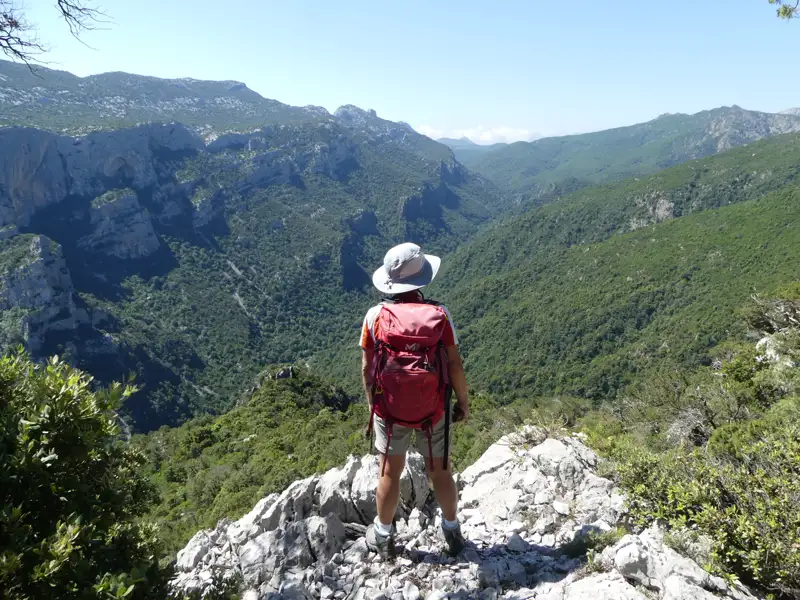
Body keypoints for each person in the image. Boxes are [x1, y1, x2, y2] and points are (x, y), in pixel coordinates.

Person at [359, 242, 470, 556]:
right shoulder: (439, 315)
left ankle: (382, 535)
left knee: (390, 473)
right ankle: (451, 531)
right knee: (441, 473)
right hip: (433, 408)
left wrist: (373, 405)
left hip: (389, 409)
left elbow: (368, 368)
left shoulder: (375, 316)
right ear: (423, 279)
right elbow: (454, 364)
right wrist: (463, 402)